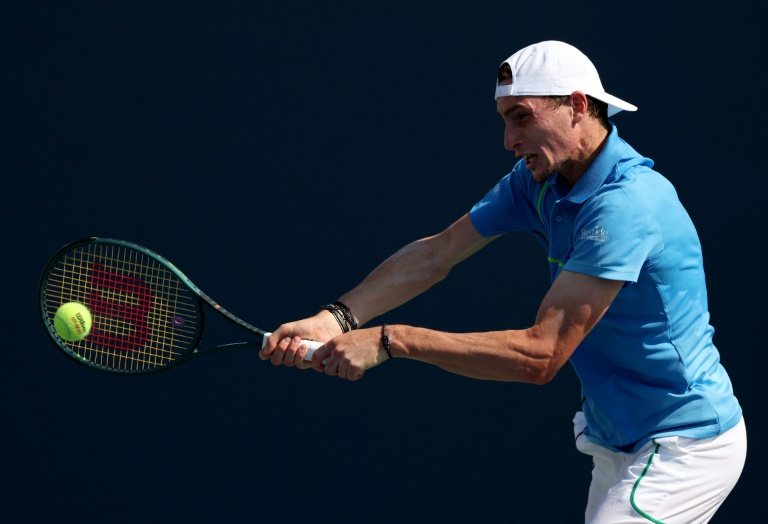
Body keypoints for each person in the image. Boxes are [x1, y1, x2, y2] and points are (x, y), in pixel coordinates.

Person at [260, 40, 746, 523]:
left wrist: (392, 340)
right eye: (505, 120)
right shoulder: (536, 182)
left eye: (522, 117)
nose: (509, 141)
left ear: (577, 106)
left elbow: (540, 355)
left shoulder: (625, 205)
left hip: (685, 443)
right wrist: (335, 320)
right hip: (614, 438)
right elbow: (438, 251)